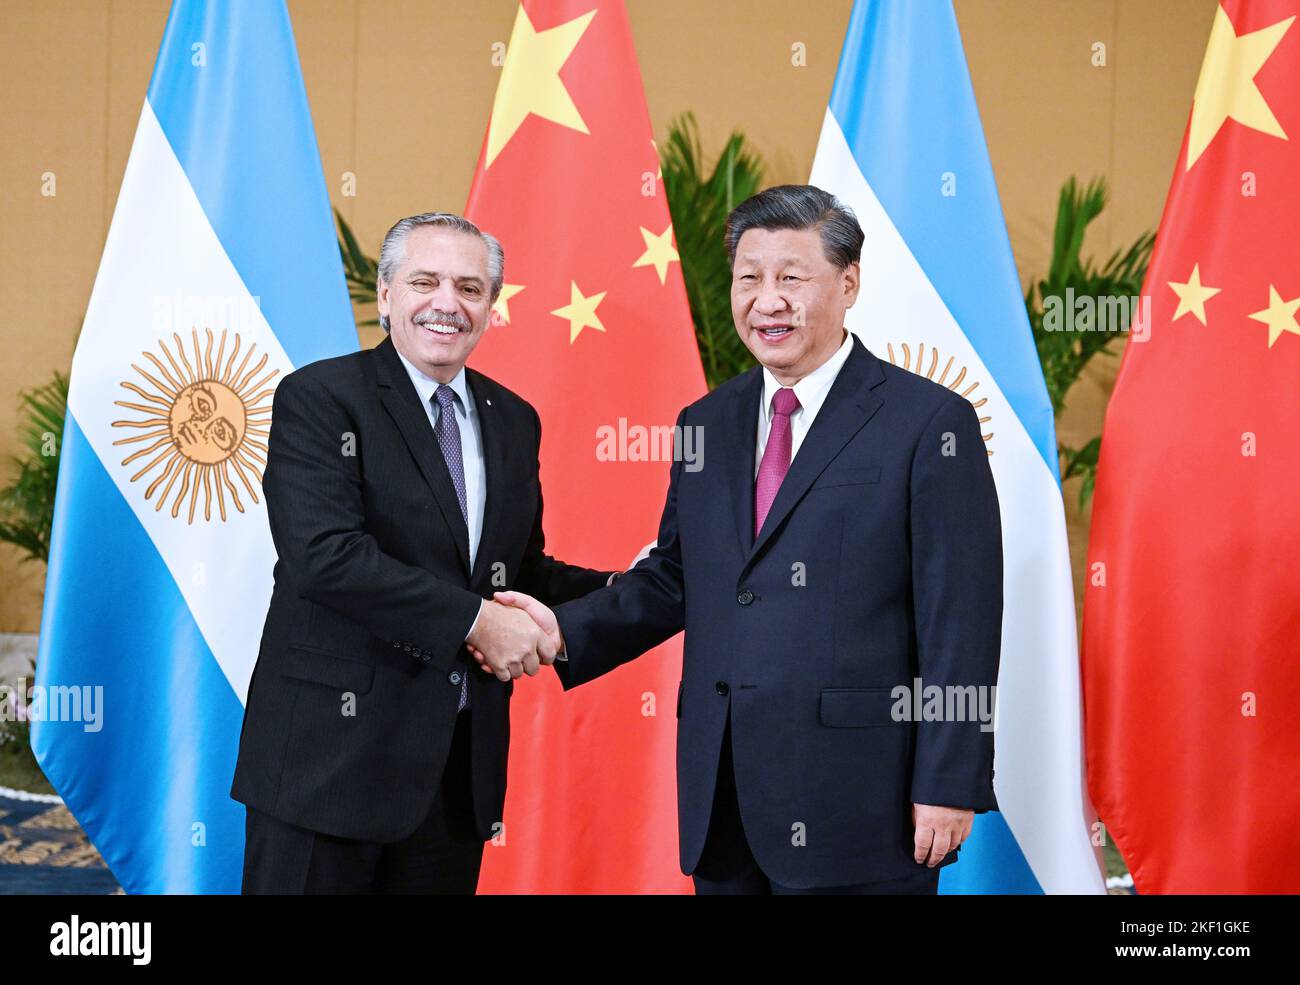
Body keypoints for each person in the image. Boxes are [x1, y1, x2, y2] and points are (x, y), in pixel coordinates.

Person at [482, 185, 1004, 894]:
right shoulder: (706, 422)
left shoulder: (927, 421)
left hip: (862, 804)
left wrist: (948, 779)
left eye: (792, 277)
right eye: (749, 277)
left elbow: (961, 617)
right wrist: (564, 627)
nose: (767, 300)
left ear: (848, 283)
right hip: (723, 799)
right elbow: (676, 577)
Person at [232, 212, 614, 893]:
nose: (448, 302)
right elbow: (325, 556)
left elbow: (516, 575)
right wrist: (477, 623)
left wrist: (638, 583)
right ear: (385, 295)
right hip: (327, 771)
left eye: (470, 287)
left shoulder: (513, 417)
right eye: (425, 281)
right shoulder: (321, 398)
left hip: (453, 780)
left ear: (491, 308)